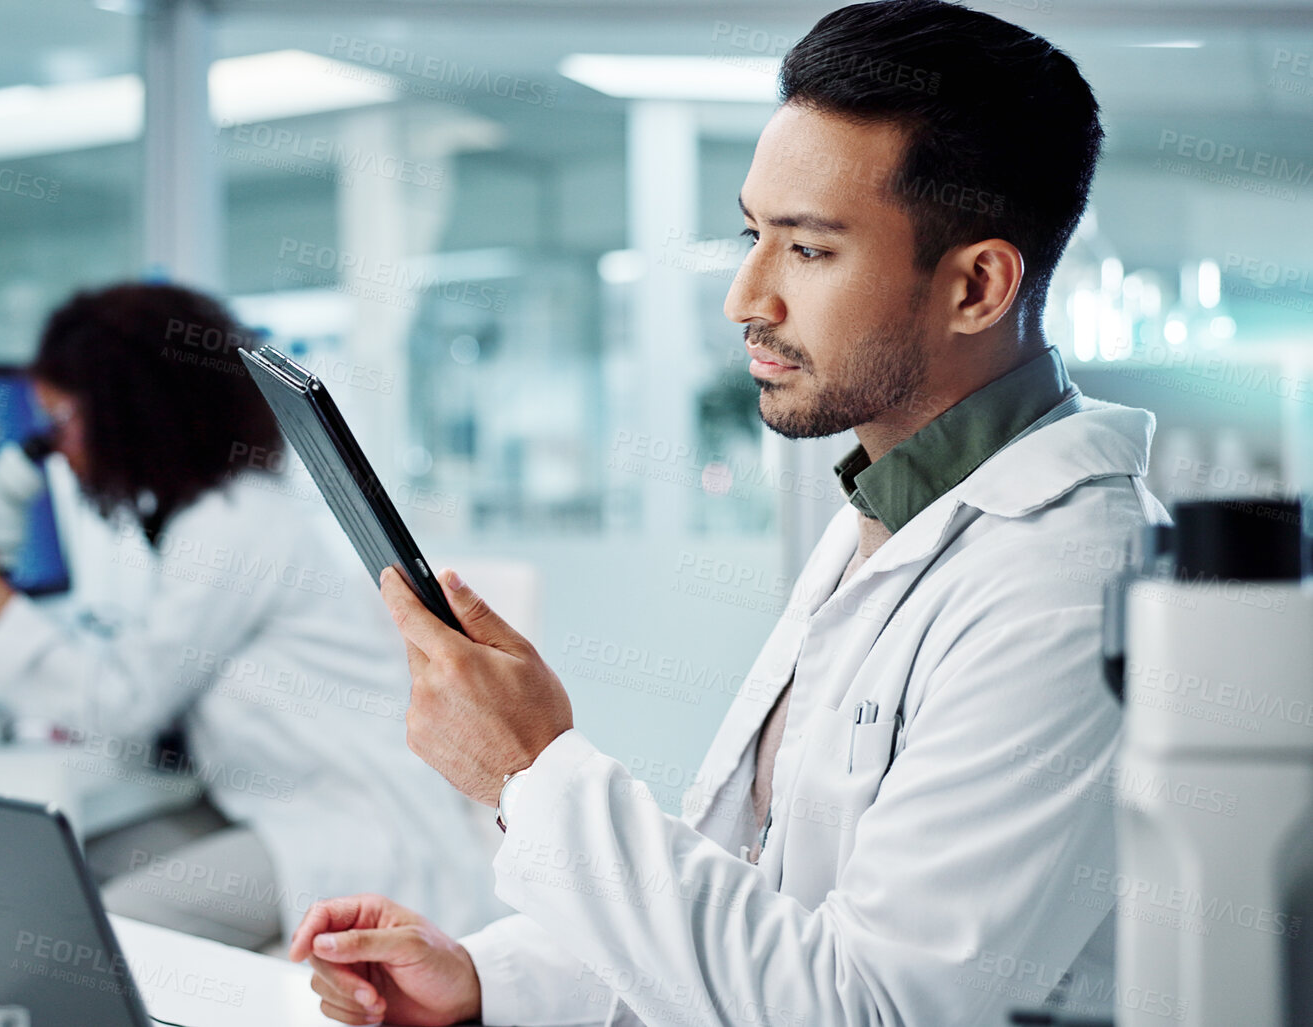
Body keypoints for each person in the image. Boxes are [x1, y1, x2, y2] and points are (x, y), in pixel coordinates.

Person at [289, 2, 1166, 1024]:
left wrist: (533, 772)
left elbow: (869, 1007)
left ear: (976, 284)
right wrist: (495, 981)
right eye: (754, 235)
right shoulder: (893, 505)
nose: (744, 297)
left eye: (808, 250)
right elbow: (760, 897)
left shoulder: (1072, 582)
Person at [0, 282, 504, 950]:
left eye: (63, 419)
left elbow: (124, 701)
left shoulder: (229, 527)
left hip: (347, 824)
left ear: (127, 411)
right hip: (279, 805)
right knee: (55, 874)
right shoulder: (219, 513)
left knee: (97, 937)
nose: (56, 447)